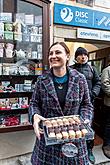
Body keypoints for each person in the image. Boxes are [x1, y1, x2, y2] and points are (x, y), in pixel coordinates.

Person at [29, 42, 93, 165]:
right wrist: (34, 115)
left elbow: (86, 104)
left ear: (67, 56)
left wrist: (85, 119)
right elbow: (34, 103)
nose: (53, 56)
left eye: (58, 52)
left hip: (74, 137)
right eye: (51, 53)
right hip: (48, 141)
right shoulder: (41, 81)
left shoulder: (80, 79)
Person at [71, 47, 101, 164]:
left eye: (85, 55)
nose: (83, 57)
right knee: (74, 127)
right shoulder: (71, 69)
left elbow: (98, 82)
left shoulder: (92, 69)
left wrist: (93, 93)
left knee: (88, 126)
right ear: (76, 57)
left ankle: (89, 150)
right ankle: (74, 149)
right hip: (74, 104)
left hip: (88, 104)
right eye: (80, 55)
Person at [101, 57, 110, 159]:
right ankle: (107, 145)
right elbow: (104, 84)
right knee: (108, 125)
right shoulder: (107, 70)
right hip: (109, 103)